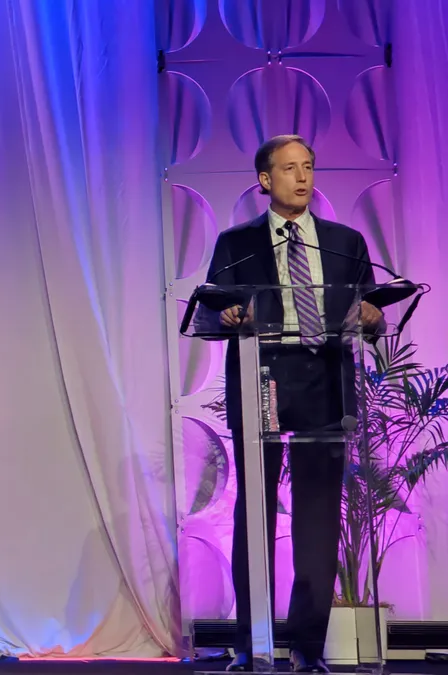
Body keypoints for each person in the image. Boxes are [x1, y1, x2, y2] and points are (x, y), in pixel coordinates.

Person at [204, 135, 385, 673]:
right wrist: (231, 316)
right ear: (265, 180)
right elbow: (213, 309)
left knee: (318, 518)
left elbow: (368, 306)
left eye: (308, 167)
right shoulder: (238, 244)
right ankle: (251, 642)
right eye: (289, 169)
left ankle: (308, 646)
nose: (302, 177)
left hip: (326, 386)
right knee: (253, 513)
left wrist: (373, 317)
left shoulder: (343, 242)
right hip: (262, 382)